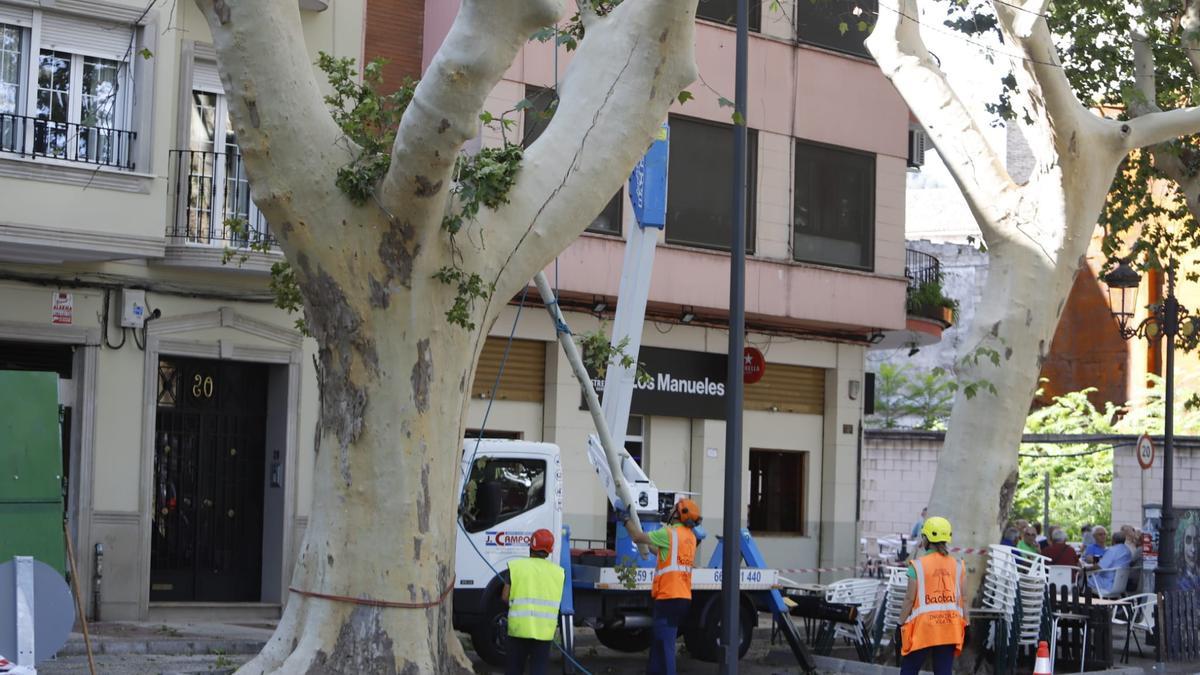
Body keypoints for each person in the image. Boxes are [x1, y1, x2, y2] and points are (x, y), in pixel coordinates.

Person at [624, 498, 701, 675]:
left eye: (674, 508)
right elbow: (658, 551)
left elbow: (637, 537)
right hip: (682, 597)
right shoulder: (690, 537)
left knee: (664, 646)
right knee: (659, 643)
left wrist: (625, 520)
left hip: (668, 598)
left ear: (679, 514)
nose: (670, 510)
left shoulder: (669, 533)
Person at [899, 516, 968, 675]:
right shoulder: (958, 565)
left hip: (923, 629)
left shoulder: (917, 565)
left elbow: (909, 599)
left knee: (909, 669)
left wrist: (899, 623)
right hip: (949, 628)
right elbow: (964, 599)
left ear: (926, 539)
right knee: (943, 671)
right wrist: (968, 624)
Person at [502, 528, 564, 675]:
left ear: (531, 546)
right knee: (539, 671)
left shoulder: (516, 567)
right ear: (549, 551)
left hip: (518, 630)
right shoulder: (559, 573)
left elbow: (504, 596)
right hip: (544, 633)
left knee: (514, 671)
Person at [1087, 530, 1132, 596]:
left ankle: (1084, 602)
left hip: (1108, 583)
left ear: (1113, 540)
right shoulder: (1128, 550)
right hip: (1121, 584)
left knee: (1084, 580)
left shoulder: (1112, 550)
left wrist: (1086, 569)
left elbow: (1100, 566)